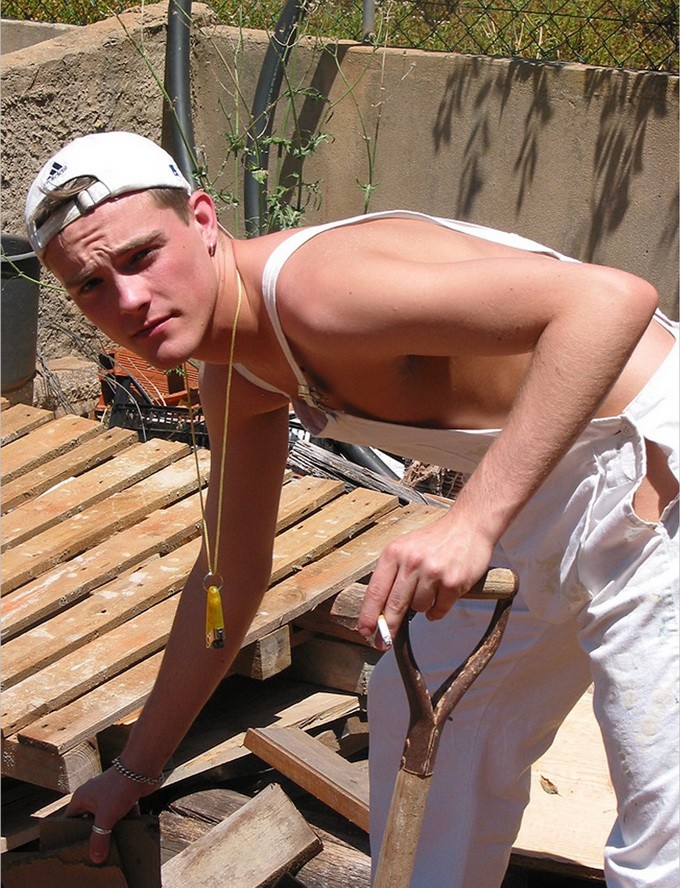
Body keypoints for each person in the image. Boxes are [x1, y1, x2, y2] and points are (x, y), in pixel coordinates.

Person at [25, 131, 678, 887]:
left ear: (202, 220)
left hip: (657, 462)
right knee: (429, 724)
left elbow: (611, 301)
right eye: (91, 286)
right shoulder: (238, 377)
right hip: (553, 475)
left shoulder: (315, 289)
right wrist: (135, 772)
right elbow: (228, 576)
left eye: (141, 256)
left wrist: (471, 523)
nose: (128, 300)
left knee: (660, 841)